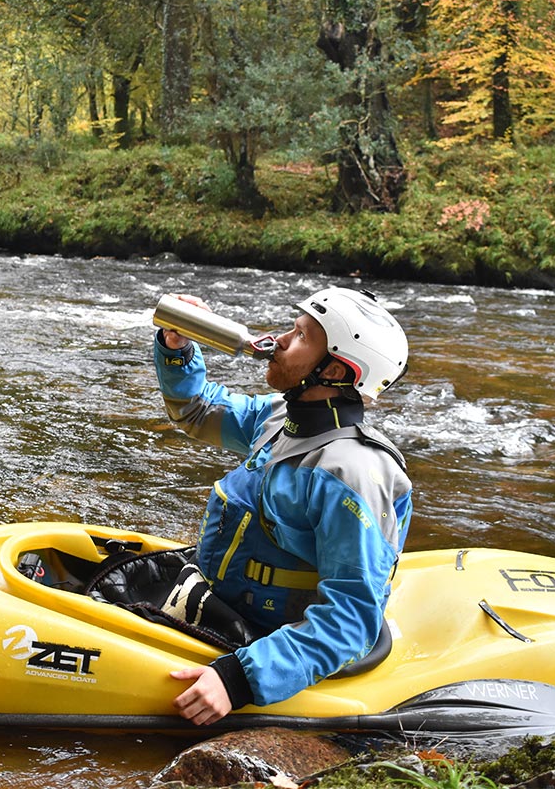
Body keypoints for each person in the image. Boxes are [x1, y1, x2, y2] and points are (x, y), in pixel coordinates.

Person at [152, 287, 414, 725]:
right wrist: (177, 349)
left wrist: (238, 680)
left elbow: (349, 619)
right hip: (228, 603)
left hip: (271, 636)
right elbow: (196, 411)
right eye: (292, 328)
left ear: (334, 369)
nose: (279, 340)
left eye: (300, 336)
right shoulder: (280, 417)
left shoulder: (351, 474)